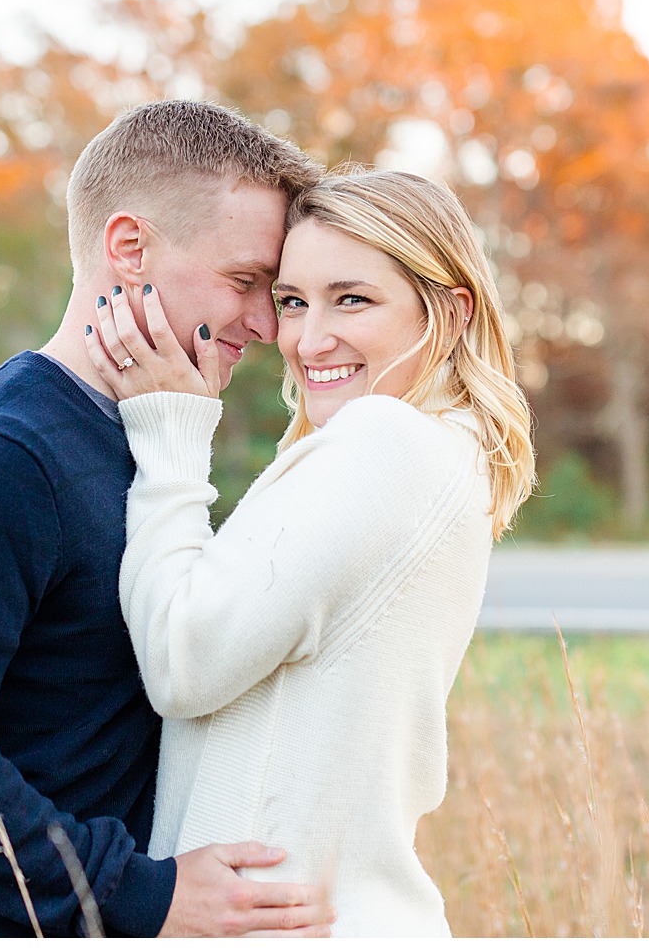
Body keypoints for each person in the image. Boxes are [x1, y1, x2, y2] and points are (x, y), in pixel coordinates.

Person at [0, 100, 337, 937]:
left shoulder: (153, 438)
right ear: (129, 248)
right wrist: (142, 893)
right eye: (244, 281)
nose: (265, 325)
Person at [81, 167, 537, 936]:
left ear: (451, 313)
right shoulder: (440, 455)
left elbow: (182, 656)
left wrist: (172, 433)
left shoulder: (384, 442)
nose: (308, 338)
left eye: (352, 299)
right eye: (292, 301)